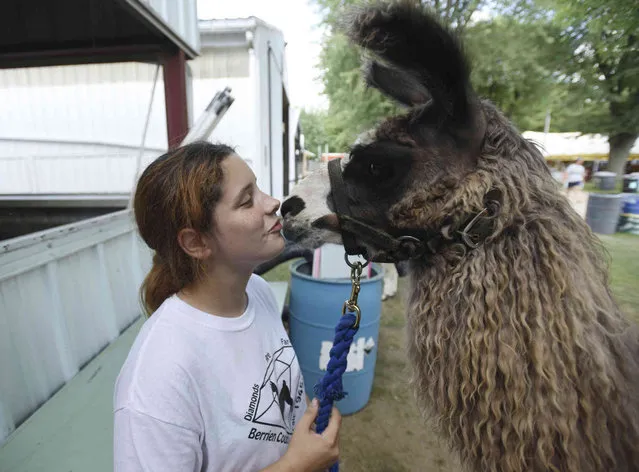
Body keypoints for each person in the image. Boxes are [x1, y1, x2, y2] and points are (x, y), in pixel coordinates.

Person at [113, 142, 341, 472]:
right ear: (196, 242)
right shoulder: (156, 381)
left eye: (258, 188)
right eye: (247, 200)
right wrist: (296, 465)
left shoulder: (257, 292)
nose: (273, 203)